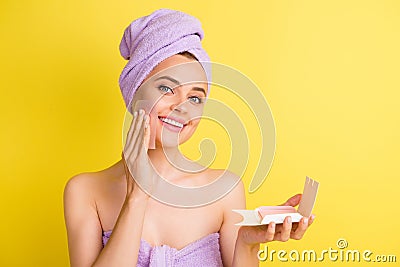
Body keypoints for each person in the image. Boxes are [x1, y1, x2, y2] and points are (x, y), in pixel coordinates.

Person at [63, 9, 315, 267]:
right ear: (135, 92)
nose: (182, 106)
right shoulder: (85, 192)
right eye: (166, 88)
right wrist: (136, 197)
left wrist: (248, 243)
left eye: (195, 97)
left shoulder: (225, 190)